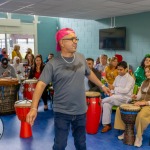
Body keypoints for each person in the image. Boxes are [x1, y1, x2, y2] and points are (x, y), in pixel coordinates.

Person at [26, 28, 110, 150]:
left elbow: (89, 73)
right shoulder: (53, 64)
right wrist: (33, 108)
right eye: (72, 39)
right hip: (62, 112)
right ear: (62, 42)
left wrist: (102, 86)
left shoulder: (81, 57)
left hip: (81, 110)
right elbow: (41, 85)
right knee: (60, 145)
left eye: (76, 38)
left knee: (81, 144)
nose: (75, 41)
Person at [114, 65, 150, 147]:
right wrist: (135, 96)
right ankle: (126, 131)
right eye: (146, 72)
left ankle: (139, 136)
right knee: (120, 109)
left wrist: (145, 103)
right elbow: (139, 96)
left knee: (141, 116)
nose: (147, 74)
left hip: (148, 105)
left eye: (149, 71)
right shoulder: (144, 82)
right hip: (140, 102)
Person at [101, 61, 135, 133]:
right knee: (106, 104)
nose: (119, 71)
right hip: (115, 98)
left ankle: (100, 101)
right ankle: (107, 125)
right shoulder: (117, 77)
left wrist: (114, 89)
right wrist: (111, 92)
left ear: (126, 69)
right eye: (118, 69)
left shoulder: (130, 79)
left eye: (121, 70)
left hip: (126, 99)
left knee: (111, 99)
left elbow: (126, 90)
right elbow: (113, 89)